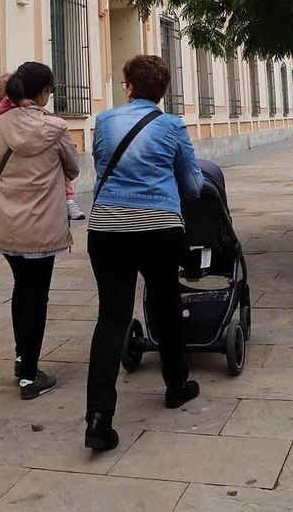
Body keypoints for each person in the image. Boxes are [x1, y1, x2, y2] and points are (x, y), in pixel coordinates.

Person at [83, 54, 204, 453]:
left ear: (130, 86)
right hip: (158, 229)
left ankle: (99, 419)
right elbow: (192, 186)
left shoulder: (104, 121)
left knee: (111, 317)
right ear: (162, 92)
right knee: (166, 305)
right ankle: (176, 385)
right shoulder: (171, 126)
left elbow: (102, 167)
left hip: (107, 228)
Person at [0, 61, 81, 401]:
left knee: (21, 288)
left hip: (6, 221)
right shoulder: (55, 127)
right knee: (37, 296)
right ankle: (29, 377)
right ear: (41, 93)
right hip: (42, 223)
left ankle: (21, 357)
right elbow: (73, 167)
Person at [0, 72, 83, 246]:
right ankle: (70, 202)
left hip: (7, 223)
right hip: (46, 225)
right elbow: (72, 168)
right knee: (61, 173)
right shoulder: (53, 124)